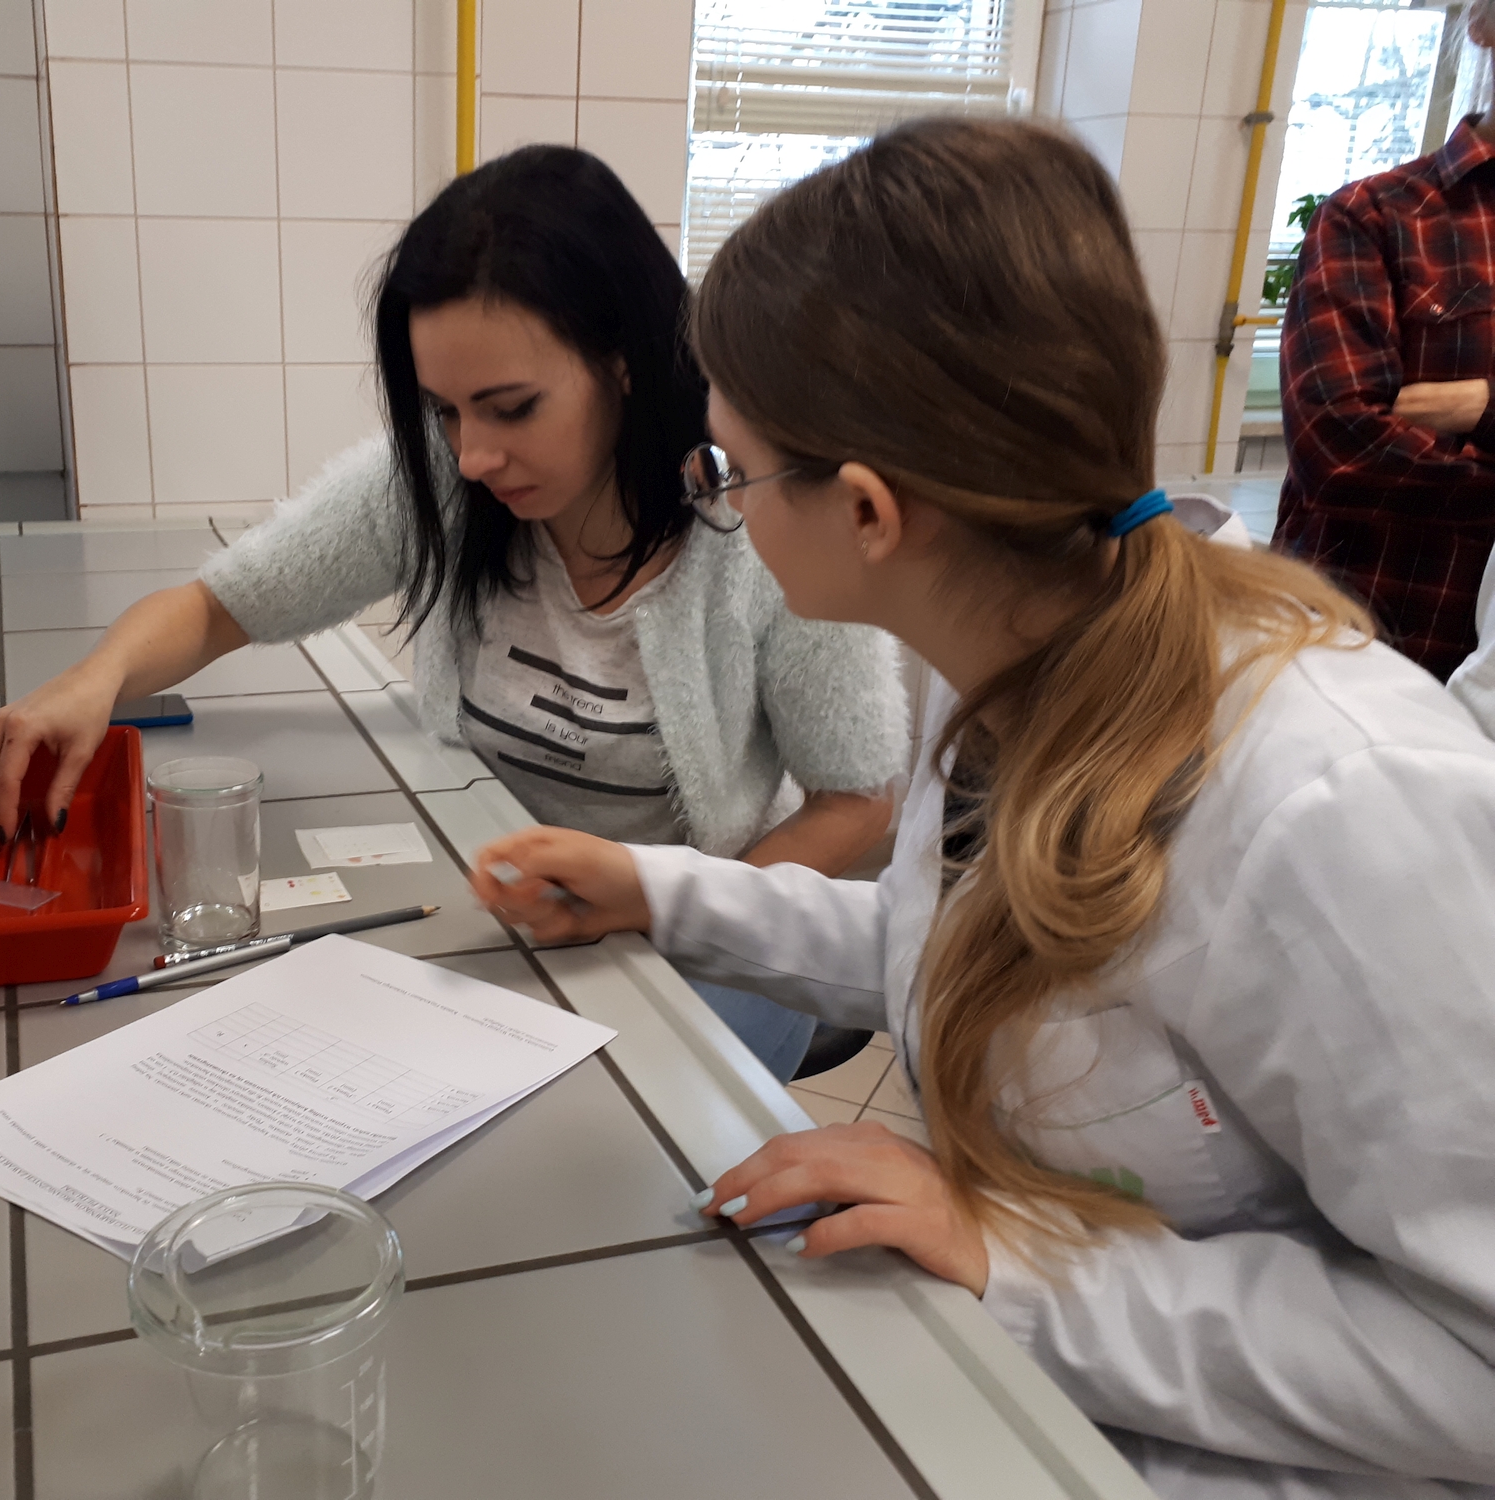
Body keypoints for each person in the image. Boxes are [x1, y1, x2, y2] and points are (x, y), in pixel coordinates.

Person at [472, 119, 1495, 1497]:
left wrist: (1024, 1267)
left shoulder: (1342, 807)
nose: (716, 504)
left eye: (727, 469)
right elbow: (957, 948)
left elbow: (1473, 1364)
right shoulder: (1016, 654)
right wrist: (659, 894)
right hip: (1047, 1412)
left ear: (869, 511)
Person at [0, 145, 907, 1082]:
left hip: (705, 935)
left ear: (622, 361)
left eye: (511, 408)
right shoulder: (444, 483)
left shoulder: (758, 519)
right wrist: (97, 678)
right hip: (507, 914)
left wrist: (673, 905)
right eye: (446, 411)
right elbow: (224, 603)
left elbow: (858, 796)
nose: (471, 456)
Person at [1275, 0, 1495, 682]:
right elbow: (1339, 447)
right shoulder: (1375, 218)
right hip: (1379, 655)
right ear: (1483, 24)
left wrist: (1478, 406)